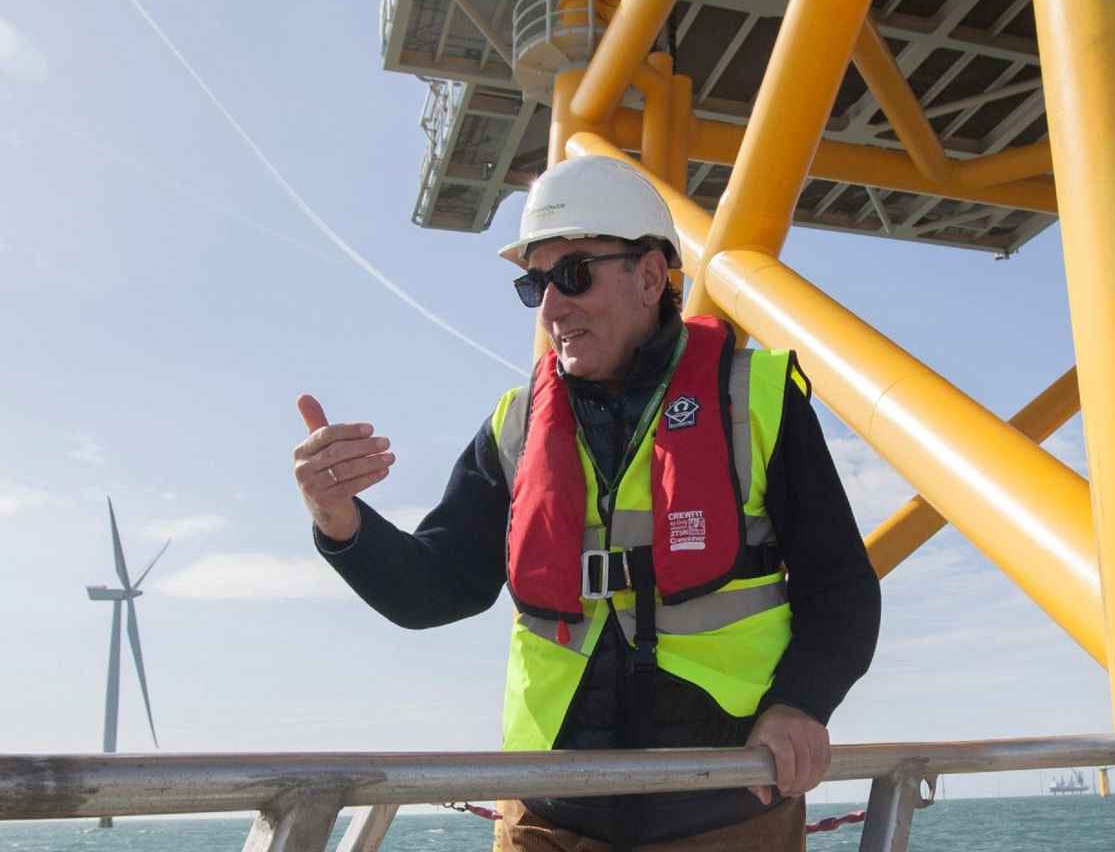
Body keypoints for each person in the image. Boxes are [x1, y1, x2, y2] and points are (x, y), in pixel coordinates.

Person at [292, 155, 880, 851]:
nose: (550, 307)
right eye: (534, 284)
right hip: (549, 814)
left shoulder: (758, 399)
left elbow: (841, 589)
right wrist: (340, 521)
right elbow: (435, 591)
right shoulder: (514, 427)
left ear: (652, 276)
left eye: (572, 275)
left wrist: (800, 705)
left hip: (725, 808)